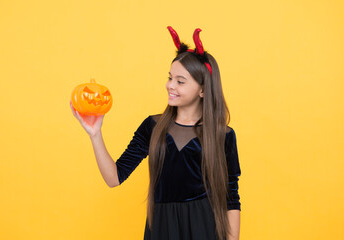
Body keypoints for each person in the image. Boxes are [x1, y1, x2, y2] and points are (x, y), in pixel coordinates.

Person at [70, 26, 241, 240]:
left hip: (203, 226)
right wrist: (95, 134)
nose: (170, 85)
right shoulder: (152, 127)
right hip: (162, 226)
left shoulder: (222, 135)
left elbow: (230, 196)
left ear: (203, 90)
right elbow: (114, 177)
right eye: (170, 78)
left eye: (180, 81)